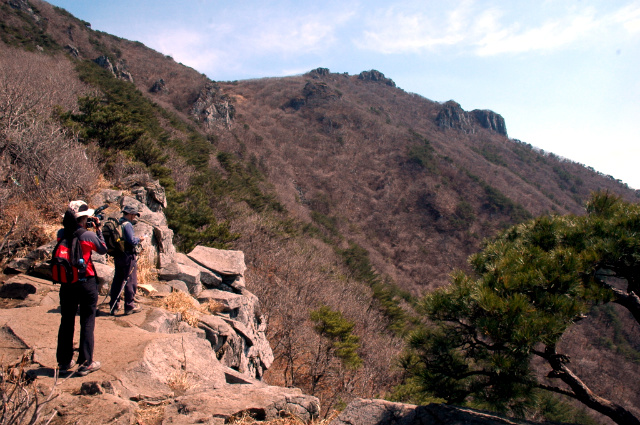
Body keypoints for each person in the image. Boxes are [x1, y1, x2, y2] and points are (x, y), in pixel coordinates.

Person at [56, 200, 107, 376]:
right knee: (87, 320)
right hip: (86, 282)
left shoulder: (61, 233)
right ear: (84, 218)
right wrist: (98, 229)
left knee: (66, 321)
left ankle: (63, 362)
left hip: (67, 284)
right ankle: (86, 362)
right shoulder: (88, 235)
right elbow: (102, 249)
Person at [109, 205, 145, 315]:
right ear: (129, 214)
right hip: (128, 256)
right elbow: (131, 240)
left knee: (118, 280)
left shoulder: (119, 223)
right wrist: (140, 239)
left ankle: (114, 305)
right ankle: (129, 306)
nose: (134, 217)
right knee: (130, 280)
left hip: (119, 255)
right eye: (133, 214)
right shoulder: (127, 225)